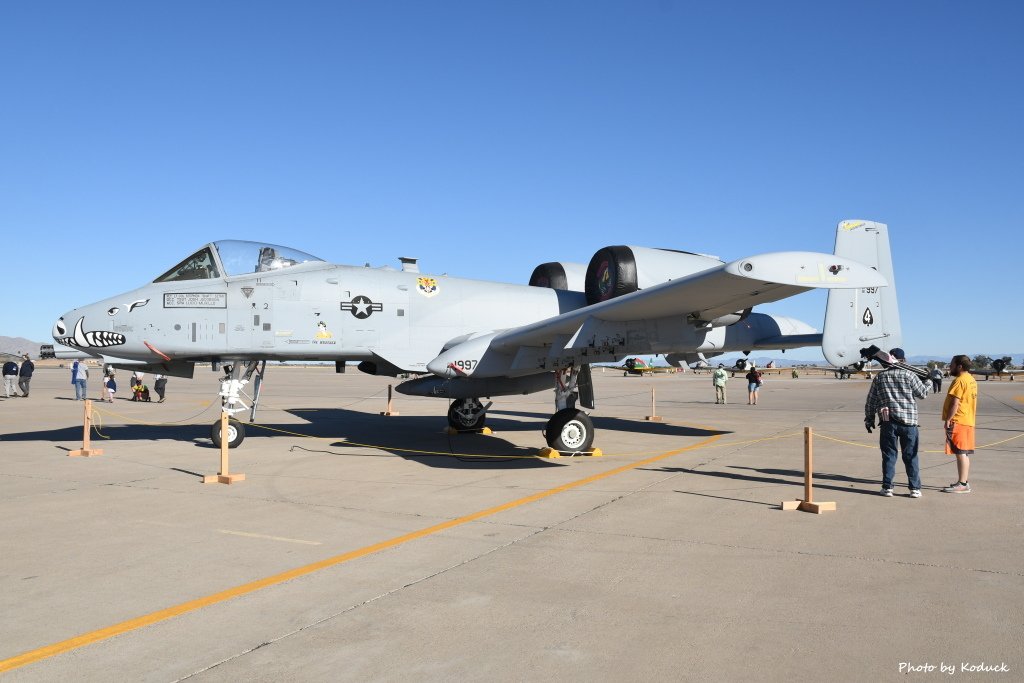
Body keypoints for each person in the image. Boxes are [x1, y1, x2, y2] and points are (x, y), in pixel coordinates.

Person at [864, 347, 930, 497]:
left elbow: (871, 401)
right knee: (911, 456)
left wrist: (869, 419)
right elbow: (923, 394)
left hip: (888, 423)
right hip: (909, 423)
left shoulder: (880, 377)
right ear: (903, 360)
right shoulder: (910, 375)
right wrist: (928, 381)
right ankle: (914, 488)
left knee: (889, 455)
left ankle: (887, 487)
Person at [941, 355, 978, 493]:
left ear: (959, 366)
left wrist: (948, 419)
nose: (950, 367)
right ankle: (963, 481)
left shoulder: (959, 380)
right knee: (963, 453)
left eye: (952, 364)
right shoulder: (971, 379)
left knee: (960, 453)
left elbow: (955, 402)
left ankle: (962, 484)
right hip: (968, 420)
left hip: (959, 421)